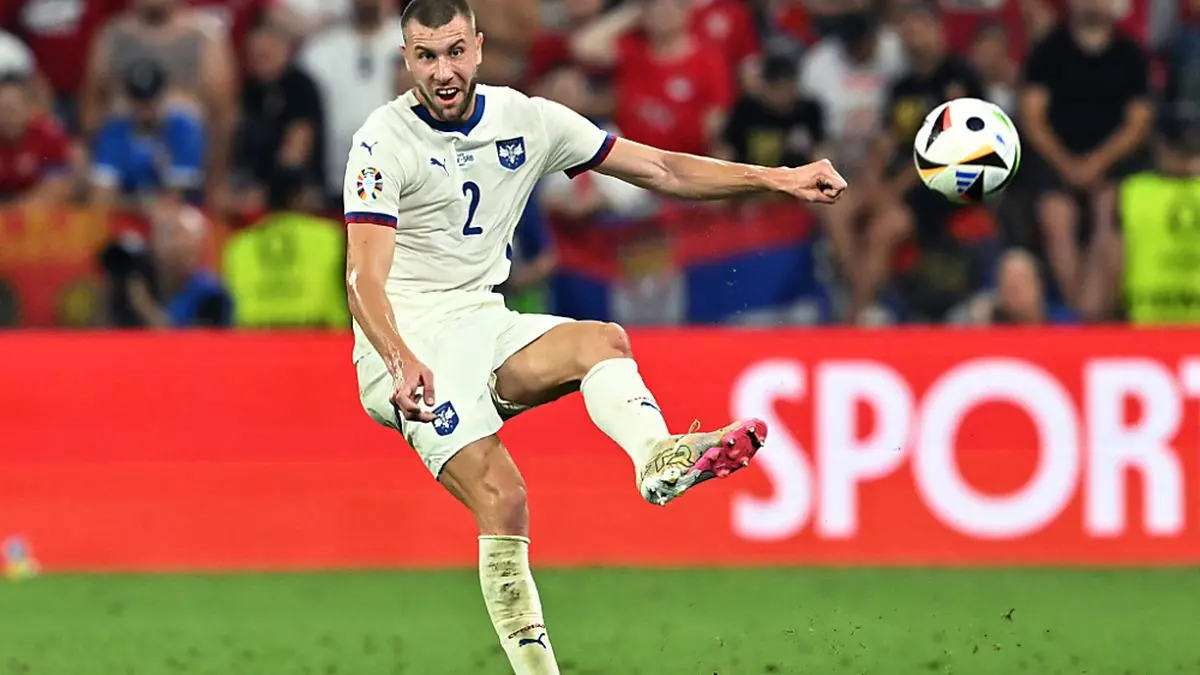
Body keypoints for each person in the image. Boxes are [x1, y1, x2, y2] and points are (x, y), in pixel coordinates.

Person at [342, 2, 847, 674]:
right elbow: (362, 278)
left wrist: (776, 178)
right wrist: (400, 360)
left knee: (601, 342)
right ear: (407, 59)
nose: (443, 71)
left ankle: (656, 456)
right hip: (404, 343)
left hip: (482, 319)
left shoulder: (527, 119)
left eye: (455, 52)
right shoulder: (382, 141)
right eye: (427, 56)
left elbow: (660, 169)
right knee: (505, 498)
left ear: (479, 48)